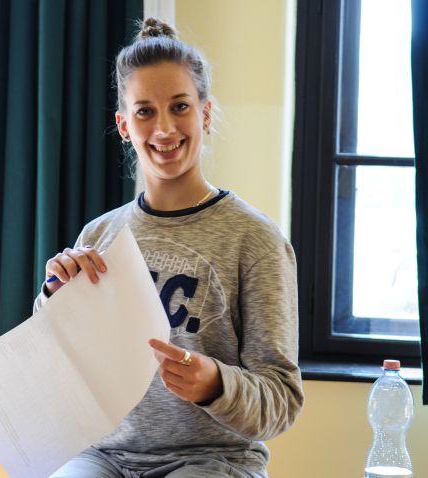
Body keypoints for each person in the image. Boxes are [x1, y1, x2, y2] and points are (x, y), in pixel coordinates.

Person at [33, 17, 304, 478]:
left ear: (205, 114)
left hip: (215, 459)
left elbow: (282, 401)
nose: (163, 128)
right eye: (145, 112)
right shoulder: (98, 235)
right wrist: (55, 298)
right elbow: (57, 368)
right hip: (104, 456)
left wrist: (216, 384)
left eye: (180, 107)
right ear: (123, 125)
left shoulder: (255, 240)